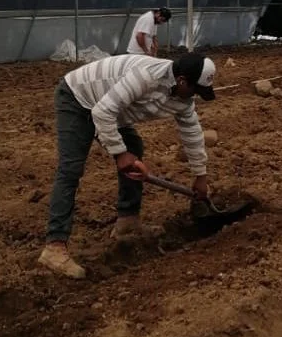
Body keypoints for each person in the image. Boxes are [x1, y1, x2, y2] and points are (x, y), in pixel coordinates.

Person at [38, 51, 215, 279]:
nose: (195, 97)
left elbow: (191, 132)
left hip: (110, 107)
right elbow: (102, 112)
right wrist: (120, 154)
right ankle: (54, 246)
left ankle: (128, 222)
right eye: (196, 91)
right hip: (78, 97)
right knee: (70, 169)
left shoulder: (183, 99)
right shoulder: (146, 77)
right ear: (182, 80)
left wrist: (201, 176)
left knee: (134, 147)